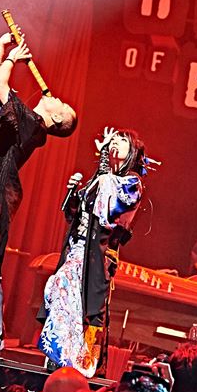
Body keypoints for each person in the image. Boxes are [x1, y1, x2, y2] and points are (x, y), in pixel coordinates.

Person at [0, 32, 77, 356]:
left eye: (62, 105)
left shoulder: (33, 125)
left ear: (56, 118)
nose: (56, 97)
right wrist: (1, 46)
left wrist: (12, 59)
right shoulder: (20, 114)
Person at [37, 128, 148, 378]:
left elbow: (108, 213)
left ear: (132, 152)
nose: (115, 142)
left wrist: (103, 164)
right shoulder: (102, 178)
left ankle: (84, 363)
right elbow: (75, 215)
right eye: (113, 138)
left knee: (89, 309)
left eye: (122, 140)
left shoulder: (131, 183)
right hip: (76, 251)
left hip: (98, 257)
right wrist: (74, 192)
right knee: (63, 297)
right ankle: (58, 357)